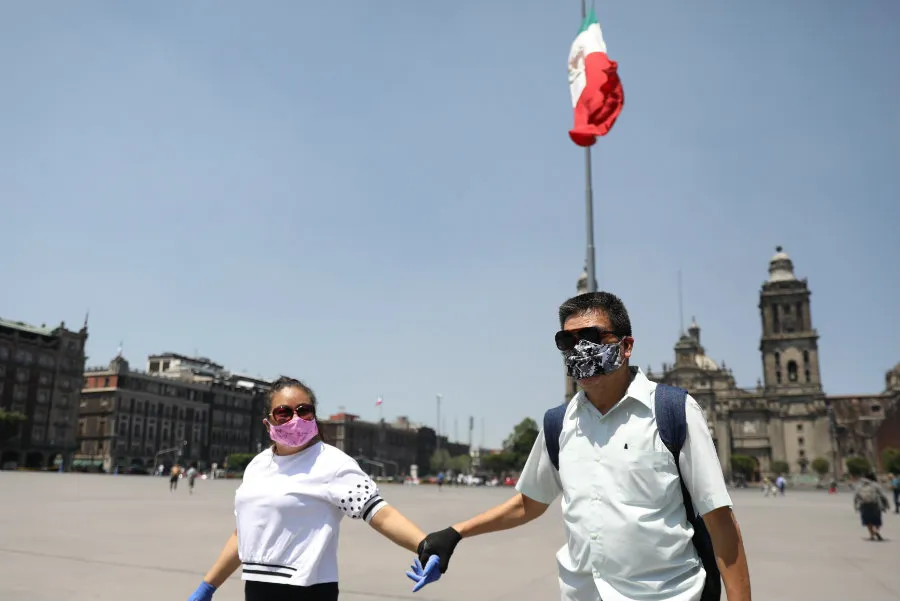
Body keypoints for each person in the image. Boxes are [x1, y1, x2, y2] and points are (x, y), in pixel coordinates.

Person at [416, 292, 751, 601]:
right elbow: (528, 503)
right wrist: (456, 532)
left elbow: (721, 522)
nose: (580, 350)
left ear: (626, 345)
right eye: (568, 341)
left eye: (592, 337)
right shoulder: (559, 423)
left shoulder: (673, 410)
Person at [187, 376, 431, 601]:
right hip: (257, 589)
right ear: (267, 422)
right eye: (283, 412)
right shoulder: (257, 465)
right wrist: (208, 586)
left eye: (304, 411)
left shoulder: (332, 463)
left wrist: (426, 547)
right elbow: (244, 534)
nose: (295, 419)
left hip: (309, 591)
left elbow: (379, 512)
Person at [853, 472, 889, 541]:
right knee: (877, 520)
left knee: (868, 520)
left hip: (864, 504)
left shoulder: (860, 485)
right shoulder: (875, 485)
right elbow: (883, 495)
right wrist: (886, 504)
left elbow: (856, 496)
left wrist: (856, 506)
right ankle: (876, 531)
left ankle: (871, 535)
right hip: (875, 504)